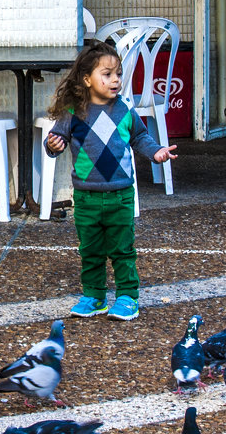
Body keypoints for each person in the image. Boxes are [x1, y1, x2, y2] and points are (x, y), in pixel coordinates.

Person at [43, 41, 177, 321]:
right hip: (86, 196)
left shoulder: (124, 109)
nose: (115, 80)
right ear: (87, 79)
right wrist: (52, 145)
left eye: (117, 74)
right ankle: (94, 296)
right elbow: (57, 139)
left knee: (122, 249)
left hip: (120, 194)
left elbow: (140, 137)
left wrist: (157, 152)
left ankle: (128, 297)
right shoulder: (73, 112)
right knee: (90, 249)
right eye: (107, 74)